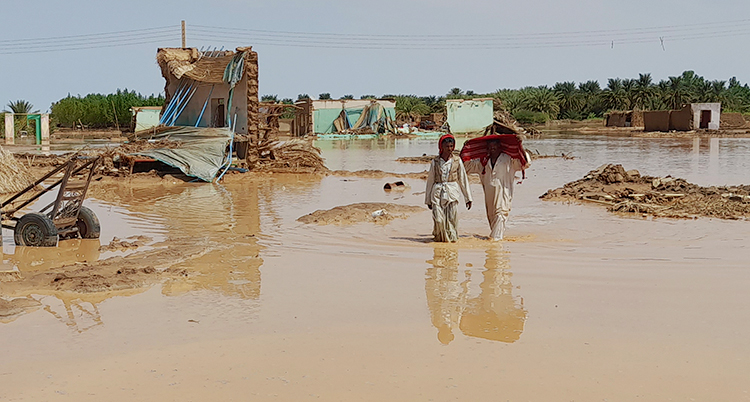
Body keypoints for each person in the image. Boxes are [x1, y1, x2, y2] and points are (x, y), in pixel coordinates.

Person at [464, 139, 527, 241]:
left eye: (495, 146)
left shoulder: (508, 160)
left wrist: (520, 148)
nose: (493, 149)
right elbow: (467, 167)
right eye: (490, 146)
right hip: (489, 196)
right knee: (492, 219)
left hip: (503, 194)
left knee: (500, 215)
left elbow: (524, 163)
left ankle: (495, 245)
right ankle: (495, 245)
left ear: (499, 147)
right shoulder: (483, 162)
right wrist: (466, 150)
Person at [425, 134, 472, 242]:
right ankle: (439, 238)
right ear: (441, 147)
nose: (450, 149)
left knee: (451, 220)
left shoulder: (457, 161)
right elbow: (430, 181)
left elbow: (463, 179)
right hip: (437, 193)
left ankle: (449, 247)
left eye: (451, 146)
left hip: (452, 192)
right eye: (447, 146)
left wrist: (468, 198)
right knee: (438, 220)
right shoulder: (435, 162)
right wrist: (428, 200)